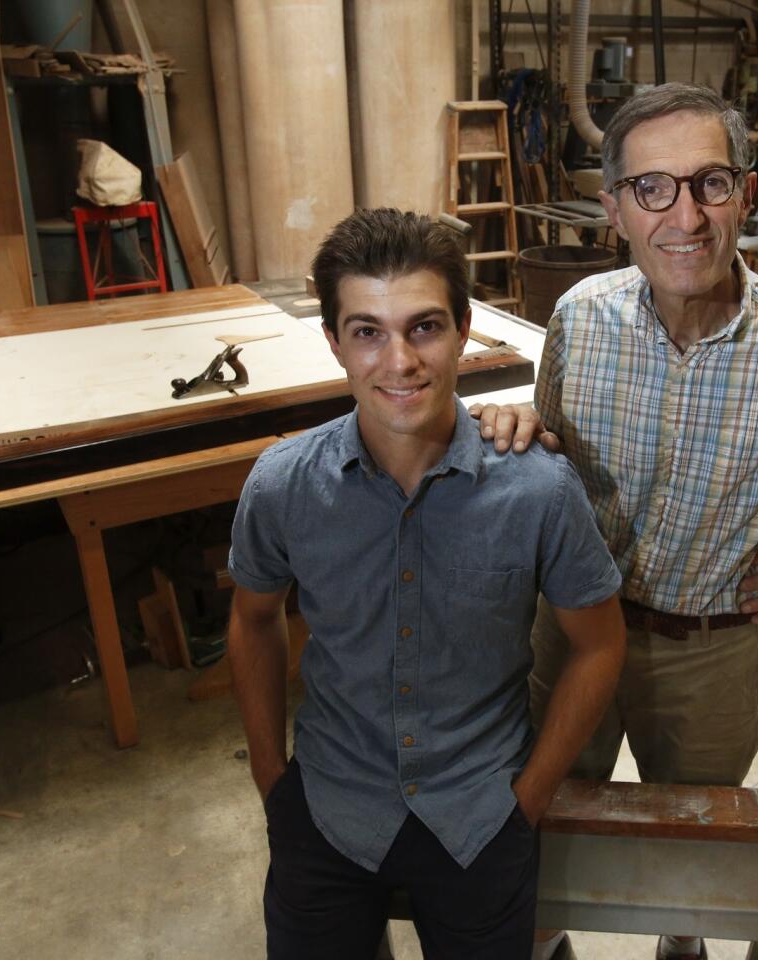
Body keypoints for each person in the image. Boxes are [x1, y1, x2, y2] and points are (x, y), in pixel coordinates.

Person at [473, 83, 758, 960]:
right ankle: (545, 941)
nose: (684, 215)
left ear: (745, 195)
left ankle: (680, 948)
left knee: (693, 849)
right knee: (542, 822)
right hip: (572, 632)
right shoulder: (579, 318)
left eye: (709, 183)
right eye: (652, 188)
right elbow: (558, 454)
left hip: (712, 653)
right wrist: (528, 435)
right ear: (614, 209)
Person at [226, 207, 626, 960]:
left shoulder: (538, 490)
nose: (400, 361)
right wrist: (271, 778)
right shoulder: (283, 485)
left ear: (465, 328)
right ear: (334, 342)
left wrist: (529, 797)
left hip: (482, 814)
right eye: (368, 331)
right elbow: (253, 620)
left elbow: (599, 643)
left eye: (424, 327)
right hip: (328, 802)